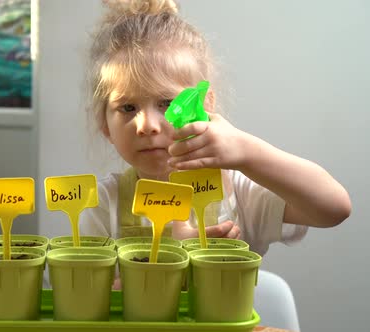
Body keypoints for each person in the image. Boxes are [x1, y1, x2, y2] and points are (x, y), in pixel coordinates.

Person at [79, 0, 352, 258]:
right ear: (105, 125)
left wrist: (247, 152)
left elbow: (334, 208)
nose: (147, 125)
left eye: (166, 103)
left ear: (205, 107)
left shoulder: (238, 194)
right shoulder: (103, 204)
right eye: (128, 108)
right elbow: (85, 297)